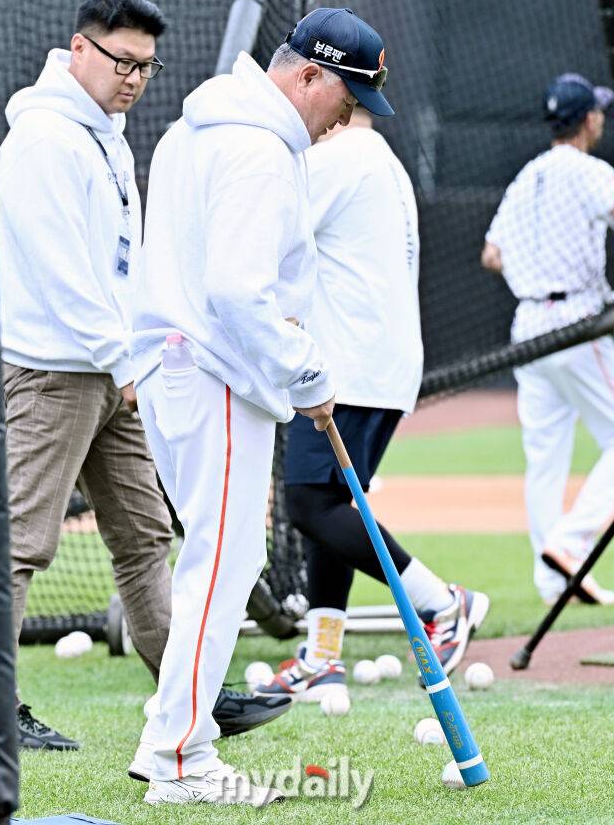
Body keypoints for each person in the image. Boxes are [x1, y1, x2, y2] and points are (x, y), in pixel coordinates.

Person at [0, 0, 288, 755]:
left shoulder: (106, 134)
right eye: (123, 61)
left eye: (147, 67)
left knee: (146, 535)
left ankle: (188, 694)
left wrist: (132, 355)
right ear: (80, 48)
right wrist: (126, 359)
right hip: (54, 375)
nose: (134, 78)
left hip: (112, 371)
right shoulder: (44, 139)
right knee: (21, 543)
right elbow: (62, 275)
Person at [129, 7, 395, 807]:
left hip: (179, 366)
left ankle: (176, 743)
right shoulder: (255, 148)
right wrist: (308, 375)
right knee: (222, 564)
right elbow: (240, 292)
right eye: (343, 101)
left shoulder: (199, 129)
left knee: (217, 562)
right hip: (214, 370)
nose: (342, 121)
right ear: (307, 75)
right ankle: (179, 757)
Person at [254, 106, 489, 702]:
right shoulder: (383, 161)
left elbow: (269, 235)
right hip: (380, 366)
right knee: (332, 507)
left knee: (308, 504)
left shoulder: (339, 157)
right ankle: (321, 656)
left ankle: (443, 602)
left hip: (348, 367)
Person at [481, 72, 614, 606]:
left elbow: (491, 253)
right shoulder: (588, 171)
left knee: (544, 456)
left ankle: (552, 578)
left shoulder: (527, 175)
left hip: (528, 325)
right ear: (589, 119)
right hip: (577, 319)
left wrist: (532, 268)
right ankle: (572, 543)